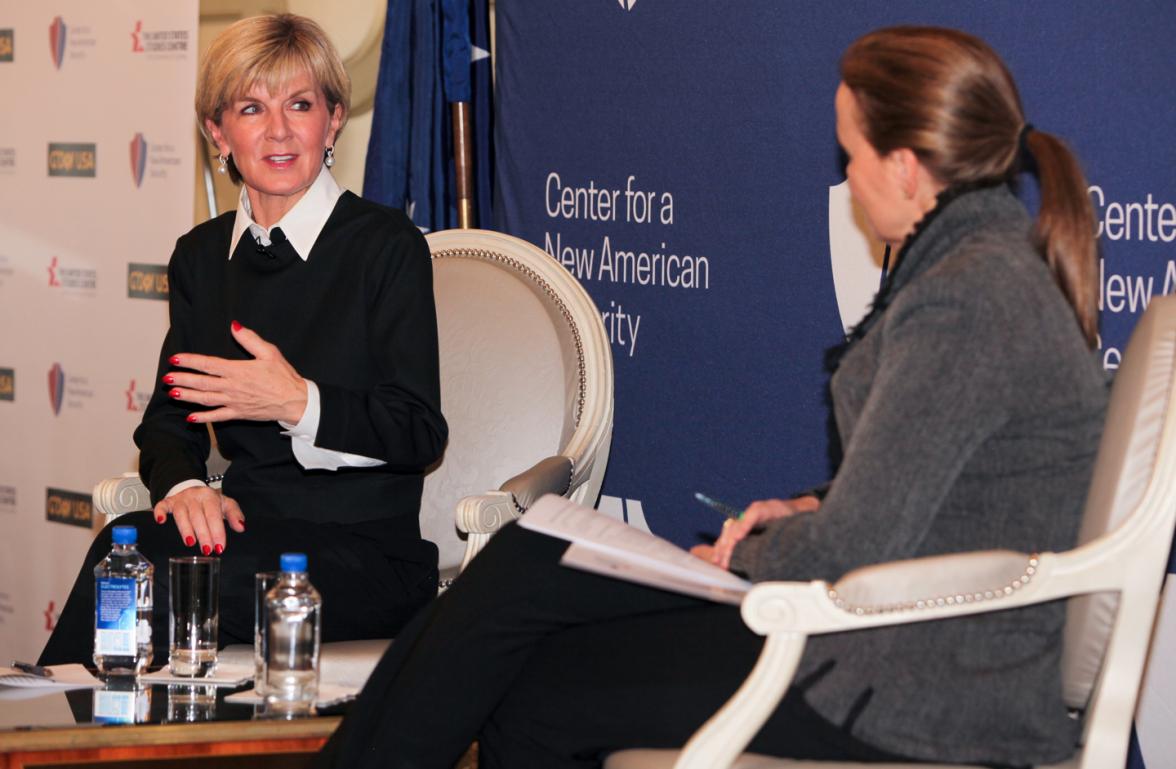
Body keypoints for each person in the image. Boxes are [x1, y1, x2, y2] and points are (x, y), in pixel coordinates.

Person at [316, 25, 1107, 769]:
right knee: (529, 574)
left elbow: (856, 548)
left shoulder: (970, 294)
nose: (848, 181)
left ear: (904, 166)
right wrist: (798, 511)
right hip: (897, 641)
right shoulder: (979, 265)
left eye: (852, 155)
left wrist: (747, 553)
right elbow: (932, 485)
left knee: (539, 665)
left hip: (924, 678)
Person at [40, 14, 447, 665]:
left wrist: (296, 402)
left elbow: (418, 429)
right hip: (246, 535)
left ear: (334, 120)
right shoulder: (201, 259)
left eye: (301, 104)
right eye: (252, 107)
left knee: (171, 579)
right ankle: (69, 719)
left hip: (366, 559)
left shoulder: (385, 247)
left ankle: (57, 729)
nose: (280, 130)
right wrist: (186, 490)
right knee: (127, 546)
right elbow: (170, 424)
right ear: (217, 132)